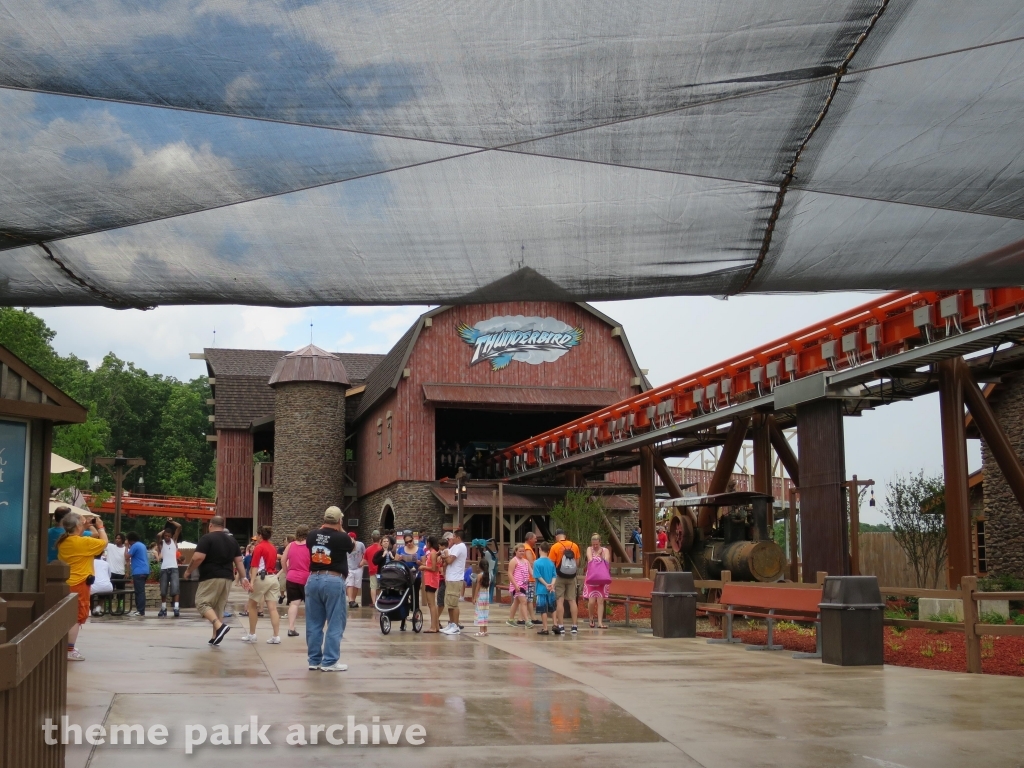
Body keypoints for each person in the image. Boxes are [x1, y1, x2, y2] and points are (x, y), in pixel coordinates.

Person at [183, 515, 250, 646]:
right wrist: (243, 577)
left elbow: (198, 558)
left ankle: (219, 626)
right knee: (218, 607)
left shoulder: (207, 538)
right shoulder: (232, 541)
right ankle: (215, 636)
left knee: (201, 603)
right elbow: (239, 561)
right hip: (227, 578)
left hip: (210, 576)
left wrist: (188, 571)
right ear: (223, 526)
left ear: (210, 525)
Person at [305, 506, 353, 671]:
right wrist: (341, 528)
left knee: (313, 622)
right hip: (333, 579)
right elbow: (351, 546)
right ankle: (330, 661)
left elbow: (318, 536)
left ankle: (314, 660)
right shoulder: (342, 537)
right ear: (340, 521)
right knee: (335, 621)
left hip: (313, 579)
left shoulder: (311, 535)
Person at [56, 511, 108, 660]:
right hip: (79, 583)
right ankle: (69, 650)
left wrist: (86, 525)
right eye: (82, 522)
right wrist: (100, 526)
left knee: (67, 615)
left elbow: (91, 537)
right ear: (78, 525)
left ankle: (67, 647)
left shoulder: (64, 541)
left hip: (66, 583)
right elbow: (103, 542)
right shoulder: (82, 542)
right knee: (77, 618)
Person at [241, 525, 282, 644]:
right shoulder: (273, 547)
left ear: (260, 535)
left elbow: (254, 566)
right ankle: (276, 636)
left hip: (262, 577)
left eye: (257, 536)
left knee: (252, 605)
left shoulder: (259, 548)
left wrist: (252, 582)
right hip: (273, 577)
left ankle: (252, 634)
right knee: (272, 608)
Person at [549, 529, 581, 635]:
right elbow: (577, 562)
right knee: (572, 600)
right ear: (565, 535)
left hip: (559, 576)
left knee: (560, 601)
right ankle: (574, 626)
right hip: (571, 577)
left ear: (556, 536)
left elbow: (551, 564)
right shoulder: (574, 546)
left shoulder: (555, 547)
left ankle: (561, 626)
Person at [281, 525, 310, 638]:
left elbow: (283, 560)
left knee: (294, 603)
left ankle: (291, 628)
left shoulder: (290, 545)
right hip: (306, 577)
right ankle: (311, 628)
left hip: (292, 577)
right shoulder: (310, 546)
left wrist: (287, 573)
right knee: (310, 604)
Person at [439, 529, 467, 635]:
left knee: (454, 604)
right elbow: (448, 558)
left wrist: (443, 556)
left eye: (454, 536)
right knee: (450, 603)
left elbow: (450, 560)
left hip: (455, 578)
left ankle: (455, 626)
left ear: (458, 538)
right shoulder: (454, 546)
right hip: (450, 578)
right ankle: (451, 624)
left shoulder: (460, 546)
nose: (452, 538)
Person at [583, 533, 612, 629]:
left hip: (602, 577)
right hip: (592, 577)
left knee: (600, 600)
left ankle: (600, 622)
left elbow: (607, 562)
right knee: (591, 601)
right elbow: (590, 561)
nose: (595, 546)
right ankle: (591, 617)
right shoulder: (589, 549)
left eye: (597, 544)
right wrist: (597, 554)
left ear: (600, 542)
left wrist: (601, 555)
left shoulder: (605, 550)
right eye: (593, 544)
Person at [156, 518, 182, 617]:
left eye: (168, 535)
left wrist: (171, 522)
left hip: (174, 567)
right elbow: (158, 535)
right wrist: (165, 528)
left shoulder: (173, 541)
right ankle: (163, 608)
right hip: (164, 568)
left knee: (175, 588)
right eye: (165, 535)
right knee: (163, 590)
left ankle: (176, 607)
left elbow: (179, 527)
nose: (167, 537)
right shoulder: (161, 543)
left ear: (171, 536)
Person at [505, 544, 533, 628]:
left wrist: (540, 576)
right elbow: (510, 573)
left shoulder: (526, 561)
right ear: (515, 551)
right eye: (520, 551)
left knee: (516, 602)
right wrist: (515, 584)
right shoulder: (514, 561)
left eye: (523, 551)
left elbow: (531, 572)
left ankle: (510, 619)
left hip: (524, 585)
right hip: (517, 585)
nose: (522, 552)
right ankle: (527, 621)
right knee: (524, 601)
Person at [533, 541, 557, 635]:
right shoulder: (551, 563)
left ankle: (545, 628)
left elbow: (538, 576)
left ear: (540, 549)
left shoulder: (536, 562)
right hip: (551, 589)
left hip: (541, 589)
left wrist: (546, 584)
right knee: (553, 608)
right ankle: (555, 624)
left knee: (543, 609)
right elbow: (554, 575)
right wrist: (551, 584)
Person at [125, 531, 150, 616]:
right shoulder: (142, 545)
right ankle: (139, 610)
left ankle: (140, 610)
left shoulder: (134, 546)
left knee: (139, 592)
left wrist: (126, 547)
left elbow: (127, 556)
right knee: (140, 591)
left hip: (138, 571)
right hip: (145, 570)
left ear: (130, 540)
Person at [420, 535, 441, 632]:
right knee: (433, 604)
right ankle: (435, 626)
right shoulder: (434, 553)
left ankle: (433, 627)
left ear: (429, 543)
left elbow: (433, 568)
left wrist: (424, 568)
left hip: (431, 580)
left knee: (431, 604)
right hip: (431, 579)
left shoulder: (433, 553)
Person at [105, 533, 127, 611]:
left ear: (123, 540)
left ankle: (120, 606)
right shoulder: (110, 547)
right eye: (116, 538)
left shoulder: (126, 549)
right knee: (109, 590)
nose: (117, 540)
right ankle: (108, 606)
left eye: (119, 538)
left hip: (121, 573)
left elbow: (127, 561)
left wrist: (127, 572)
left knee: (120, 591)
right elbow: (104, 541)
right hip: (111, 573)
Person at [346, 531, 366, 609]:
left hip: (358, 567)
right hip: (349, 567)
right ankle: (351, 600)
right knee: (349, 584)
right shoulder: (346, 545)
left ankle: (353, 600)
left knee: (356, 585)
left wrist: (362, 562)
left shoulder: (360, 545)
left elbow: (365, 554)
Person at [522, 531, 538, 622]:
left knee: (526, 599)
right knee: (529, 599)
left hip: (525, 577)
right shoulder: (527, 549)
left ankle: (528, 617)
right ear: (529, 539)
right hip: (529, 577)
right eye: (535, 538)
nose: (536, 540)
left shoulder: (524, 547)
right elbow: (531, 562)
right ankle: (530, 618)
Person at [472, 560, 490, 636]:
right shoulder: (489, 575)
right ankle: (485, 630)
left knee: (480, 612)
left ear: (480, 566)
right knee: (485, 612)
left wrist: (474, 597)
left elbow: (477, 587)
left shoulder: (480, 575)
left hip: (481, 595)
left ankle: (481, 630)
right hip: (486, 595)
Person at [364, 531, 382, 604]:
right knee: (380, 586)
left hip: (372, 570)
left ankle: (374, 602)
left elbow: (365, 561)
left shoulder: (368, 549)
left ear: (372, 539)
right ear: (380, 539)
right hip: (381, 571)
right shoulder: (382, 549)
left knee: (373, 587)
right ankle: (380, 601)